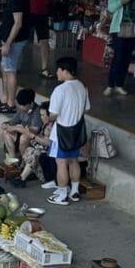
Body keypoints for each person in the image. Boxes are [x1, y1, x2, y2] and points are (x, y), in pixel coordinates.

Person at [45, 56, 90, 204]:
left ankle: (62, 194)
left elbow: (53, 114)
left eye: (58, 70)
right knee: (73, 161)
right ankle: (75, 191)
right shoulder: (82, 87)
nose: (57, 73)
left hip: (61, 133)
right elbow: (86, 109)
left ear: (65, 71)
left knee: (61, 163)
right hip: (77, 131)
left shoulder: (60, 90)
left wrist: (47, 119)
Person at [0, 0, 30, 114]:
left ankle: (10, 102)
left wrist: (8, 43)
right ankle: (4, 98)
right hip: (9, 38)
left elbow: (18, 22)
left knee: (10, 69)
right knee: (4, 67)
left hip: (14, 41)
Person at [20, 0, 55, 77]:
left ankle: (44, 68)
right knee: (22, 38)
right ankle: (17, 64)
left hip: (42, 11)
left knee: (44, 40)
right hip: (30, 10)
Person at [1, 88, 41, 164]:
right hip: (21, 133)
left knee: (24, 138)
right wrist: (5, 124)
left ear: (31, 104)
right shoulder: (22, 110)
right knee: (5, 132)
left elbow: (35, 130)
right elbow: (12, 121)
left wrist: (17, 128)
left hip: (34, 138)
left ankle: (24, 162)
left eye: (23, 105)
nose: (21, 107)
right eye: (20, 105)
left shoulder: (37, 112)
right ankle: (13, 159)